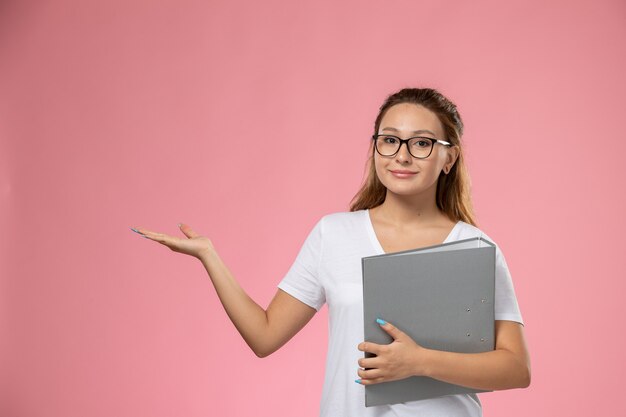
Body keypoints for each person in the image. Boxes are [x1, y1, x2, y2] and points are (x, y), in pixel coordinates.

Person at [131, 87, 531, 417]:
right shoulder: (334, 234)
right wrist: (209, 256)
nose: (402, 155)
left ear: (449, 157)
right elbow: (265, 336)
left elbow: (516, 368)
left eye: (421, 143)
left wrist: (418, 362)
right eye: (389, 140)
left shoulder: (476, 247)